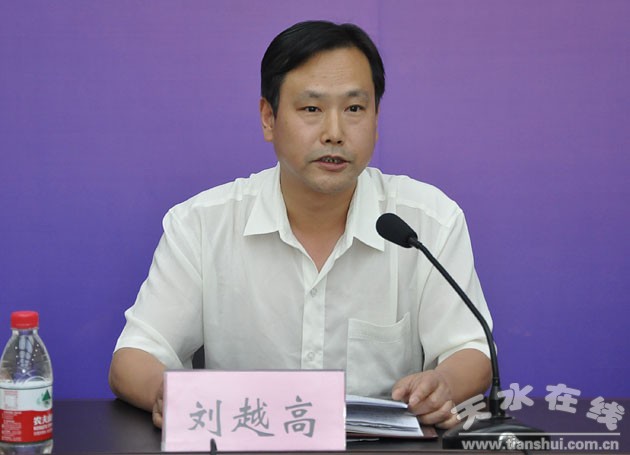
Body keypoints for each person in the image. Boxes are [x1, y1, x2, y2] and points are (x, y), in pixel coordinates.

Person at [109, 20, 492, 430]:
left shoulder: (427, 222)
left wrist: (444, 384)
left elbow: (471, 350)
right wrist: (167, 393)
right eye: (311, 109)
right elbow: (134, 358)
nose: (334, 133)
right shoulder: (201, 225)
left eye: (354, 109)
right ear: (268, 118)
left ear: (376, 118)